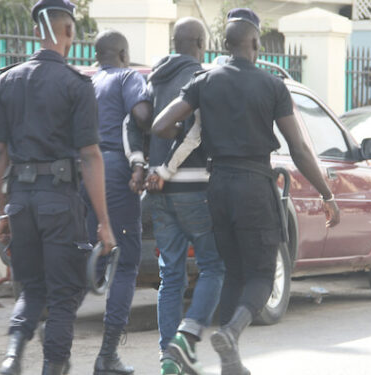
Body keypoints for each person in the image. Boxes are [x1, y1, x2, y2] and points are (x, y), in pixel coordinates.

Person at [153, 8, 341, 375]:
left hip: (218, 186)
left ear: (225, 44)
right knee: (261, 274)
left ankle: (221, 356)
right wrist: (327, 195)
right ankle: (230, 331)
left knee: (233, 273)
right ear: (255, 43)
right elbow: (300, 148)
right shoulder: (272, 85)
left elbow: (162, 124)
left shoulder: (204, 81)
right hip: (255, 185)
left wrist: (190, 139)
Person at [0, 1, 116, 375]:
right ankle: (53, 367)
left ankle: (13, 356)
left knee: (31, 288)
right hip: (59, 203)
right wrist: (105, 223)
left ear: (35, 33)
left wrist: (4, 210)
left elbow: (0, 153)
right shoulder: (76, 85)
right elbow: (92, 156)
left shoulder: (6, 80)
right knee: (65, 295)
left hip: (22, 202)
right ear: (69, 33)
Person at [140, 17, 225, 375]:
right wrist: (167, 169)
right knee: (212, 266)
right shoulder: (202, 79)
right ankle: (183, 342)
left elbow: (139, 121)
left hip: (157, 191)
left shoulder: (153, 77)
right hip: (193, 188)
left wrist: (144, 166)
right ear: (200, 44)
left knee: (170, 275)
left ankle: (167, 358)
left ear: (175, 43)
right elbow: (195, 134)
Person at [87, 29, 153, 375]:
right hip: (113, 168)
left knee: (87, 254)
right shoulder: (128, 77)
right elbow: (142, 116)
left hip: (81, 170)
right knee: (125, 261)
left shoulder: (87, 81)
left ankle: (56, 353)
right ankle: (107, 354)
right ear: (124, 54)